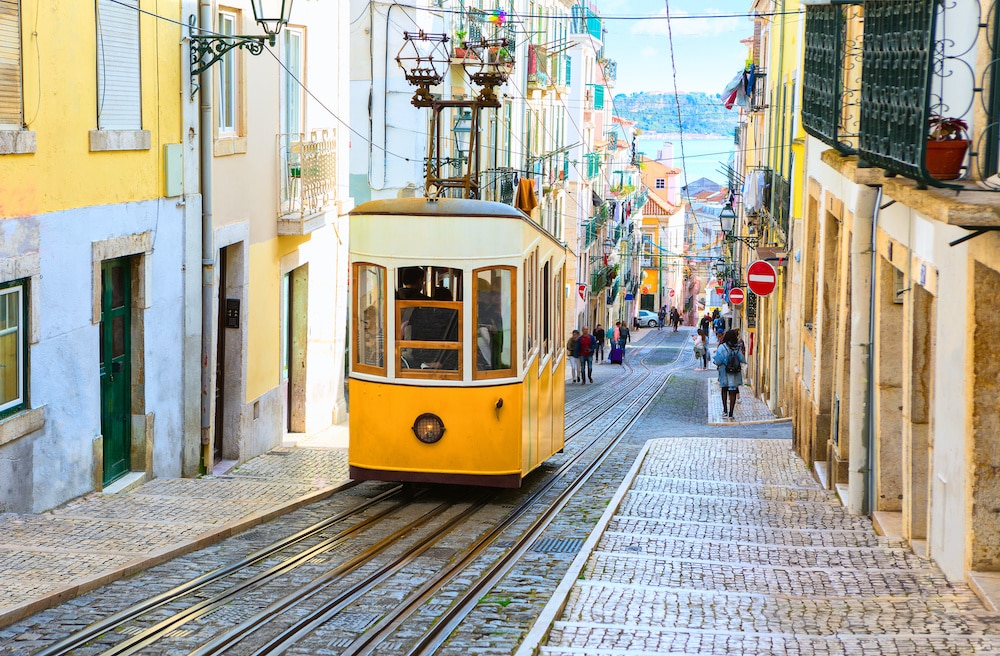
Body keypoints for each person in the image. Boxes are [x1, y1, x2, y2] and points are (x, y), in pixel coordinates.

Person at [713, 329, 746, 420]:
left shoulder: (722, 347)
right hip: (734, 373)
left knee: (724, 389)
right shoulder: (737, 348)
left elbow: (717, 360)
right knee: (733, 392)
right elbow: (742, 359)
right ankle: (731, 413)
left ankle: (725, 411)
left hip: (724, 371)